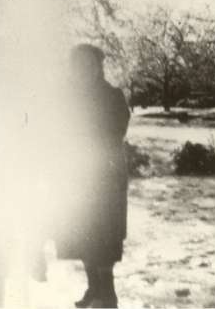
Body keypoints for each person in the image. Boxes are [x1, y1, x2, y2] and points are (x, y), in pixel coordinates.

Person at [58, 43, 130, 308]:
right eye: (77, 64)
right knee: (82, 236)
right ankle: (93, 289)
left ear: (98, 66)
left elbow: (116, 131)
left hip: (105, 178)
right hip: (76, 177)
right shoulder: (67, 96)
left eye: (88, 64)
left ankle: (107, 294)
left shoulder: (112, 95)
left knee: (104, 237)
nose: (82, 69)